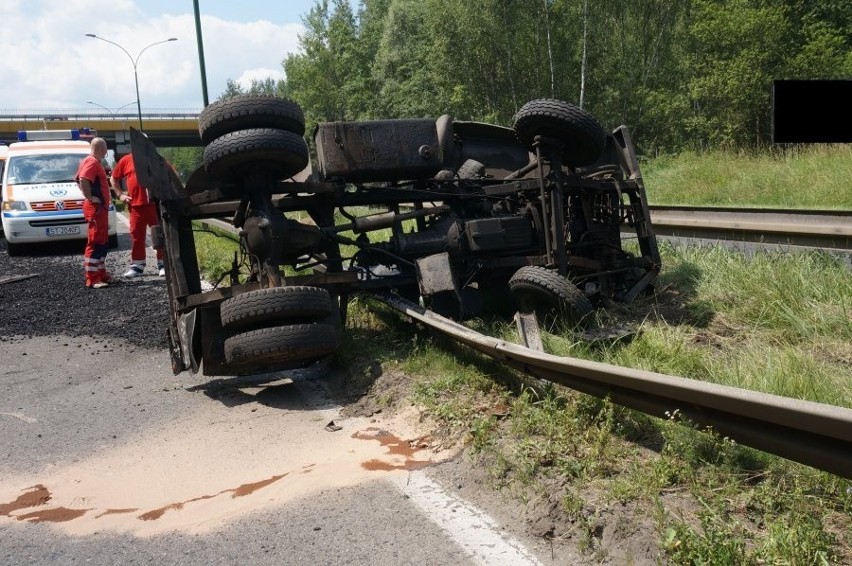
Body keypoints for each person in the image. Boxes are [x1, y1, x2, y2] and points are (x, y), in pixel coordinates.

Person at [110, 152, 165, 277]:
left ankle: (163, 264)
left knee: (160, 235)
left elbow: (170, 174)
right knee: (136, 236)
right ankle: (137, 266)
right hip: (135, 206)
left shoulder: (155, 158)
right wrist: (120, 195)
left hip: (154, 205)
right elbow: (114, 178)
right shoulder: (126, 160)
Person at [75, 137, 113, 289]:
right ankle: (92, 278)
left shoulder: (90, 161)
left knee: (102, 242)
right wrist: (90, 197)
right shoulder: (91, 162)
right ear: (103, 149)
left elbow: (79, 179)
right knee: (96, 242)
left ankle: (101, 274)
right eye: (105, 149)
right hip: (96, 209)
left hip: (100, 209)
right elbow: (83, 179)